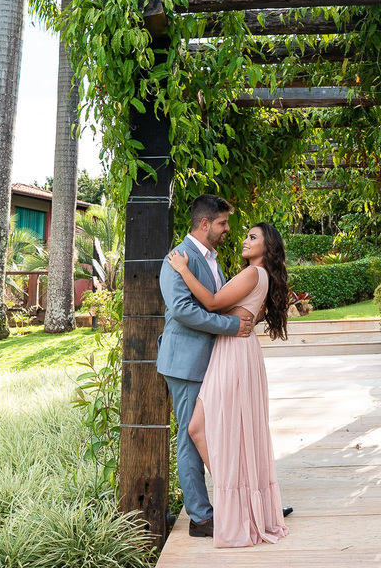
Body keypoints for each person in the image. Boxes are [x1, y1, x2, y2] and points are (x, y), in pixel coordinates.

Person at [166, 219, 291, 548]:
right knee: (229, 430)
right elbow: (245, 309)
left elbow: (212, 303)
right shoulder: (260, 275)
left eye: (253, 237)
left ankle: (240, 502)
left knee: (200, 428)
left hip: (233, 352)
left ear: (268, 246)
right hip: (234, 350)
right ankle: (247, 501)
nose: (245, 240)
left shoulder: (253, 272)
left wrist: (183, 269)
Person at [157, 195, 254, 540]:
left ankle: (248, 503)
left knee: (217, 432)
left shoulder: (209, 258)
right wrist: (231, 327)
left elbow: (218, 302)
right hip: (185, 362)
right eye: (223, 223)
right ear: (204, 224)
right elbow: (183, 310)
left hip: (209, 360)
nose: (228, 230)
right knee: (191, 436)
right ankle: (201, 517)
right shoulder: (178, 259)